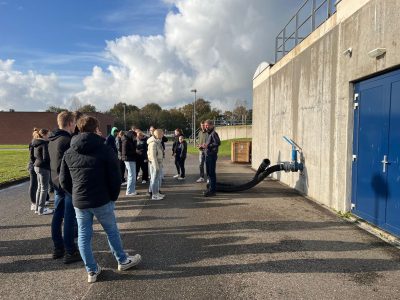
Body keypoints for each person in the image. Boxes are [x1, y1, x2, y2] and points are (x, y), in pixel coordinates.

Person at [60, 115, 141, 283]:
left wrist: (74, 194)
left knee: (84, 235)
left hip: (80, 201)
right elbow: (115, 176)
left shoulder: (69, 151)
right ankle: (122, 260)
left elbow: (63, 181)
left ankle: (91, 270)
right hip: (101, 199)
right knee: (111, 231)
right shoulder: (104, 149)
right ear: (96, 129)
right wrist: (113, 196)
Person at [48, 111, 81, 264]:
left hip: (56, 183)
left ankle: (58, 247)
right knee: (69, 217)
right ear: (69, 123)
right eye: (74, 123)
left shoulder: (52, 140)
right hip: (67, 184)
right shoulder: (67, 140)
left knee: (57, 215)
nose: (75, 125)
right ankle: (70, 250)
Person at [32, 128, 54, 215]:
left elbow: (34, 155)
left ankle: (37, 208)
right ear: (44, 135)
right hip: (43, 167)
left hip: (36, 166)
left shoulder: (35, 142)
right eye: (48, 134)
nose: (49, 136)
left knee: (40, 188)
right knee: (44, 189)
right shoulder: (44, 143)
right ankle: (41, 209)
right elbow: (46, 158)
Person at [200, 120, 221, 197]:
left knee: (211, 174)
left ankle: (212, 191)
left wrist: (207, 146)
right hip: (208, 156)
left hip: (211, 156)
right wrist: (202, 147)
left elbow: (218, 143)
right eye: (205, 125)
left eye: (207, 125)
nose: (206, 127)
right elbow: (209, 145)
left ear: (212, 125)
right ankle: (210, 189)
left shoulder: (213, 133)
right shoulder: (209, 134)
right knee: (209, 174)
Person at [147, 129, 165, 200]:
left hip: (158, 163)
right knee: (154, 179)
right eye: (162, 133)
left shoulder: (158, 142)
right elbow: (153, 157)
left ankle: (157, 193)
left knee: (157, 179)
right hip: (155, 164)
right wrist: (156, 167)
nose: (163, 135)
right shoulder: (153, 143)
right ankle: (154, 195)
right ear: (158, 134)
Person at [121, 129, 138, 196]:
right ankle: (129, 191)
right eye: (134, 136)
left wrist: (135, 142)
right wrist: (135, 152)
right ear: (131, 135)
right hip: (128, 159)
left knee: (133, 176)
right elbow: (125, 152)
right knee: (131, 176)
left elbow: (133, 148)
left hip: (131, 159)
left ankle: (132, 190)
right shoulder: (126, 141)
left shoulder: (130, 140)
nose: (135, 138)